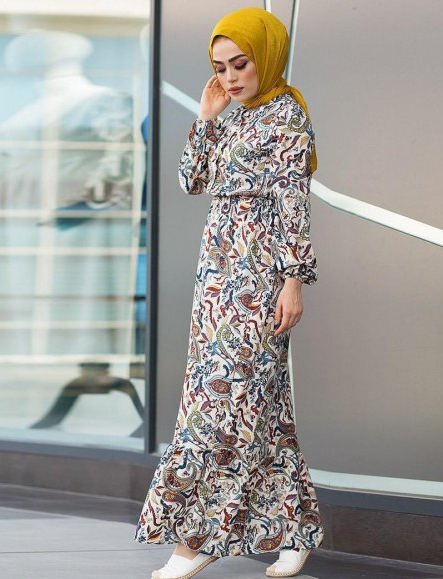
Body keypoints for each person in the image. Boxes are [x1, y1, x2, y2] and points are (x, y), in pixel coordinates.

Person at [134, 7, 324, 578]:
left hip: (258, 282)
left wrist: (293, 281)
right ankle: (296, 528)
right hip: (216, 280)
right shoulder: (235, 116)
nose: (231, 77)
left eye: (240, 64)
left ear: (266, 57)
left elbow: (292, 202)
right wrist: (207, 118)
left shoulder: (287, 117)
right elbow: (191, 180)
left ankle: (195, 540)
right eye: (220, 68)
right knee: (265, 411)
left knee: (218, 406)